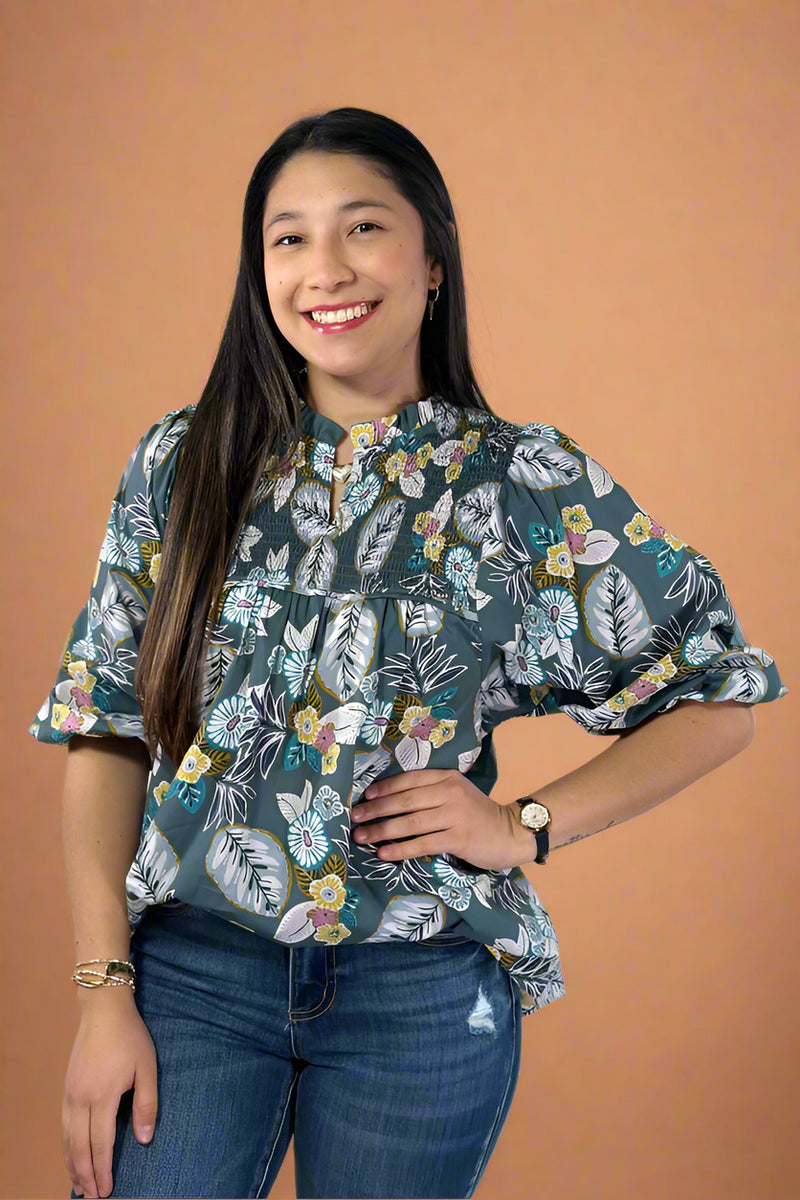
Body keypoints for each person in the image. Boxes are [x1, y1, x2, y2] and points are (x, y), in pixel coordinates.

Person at [30, 106, 787, 1200]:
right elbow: (103, 728)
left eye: (362, 228)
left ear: (431, 259)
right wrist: (104, 987)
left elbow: (719, 697)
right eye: (287, 237)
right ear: (259, 272)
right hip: (191, 976)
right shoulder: (182, 463)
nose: (323, 268)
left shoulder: (519, 482)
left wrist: (520, 824)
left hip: (420, 994)